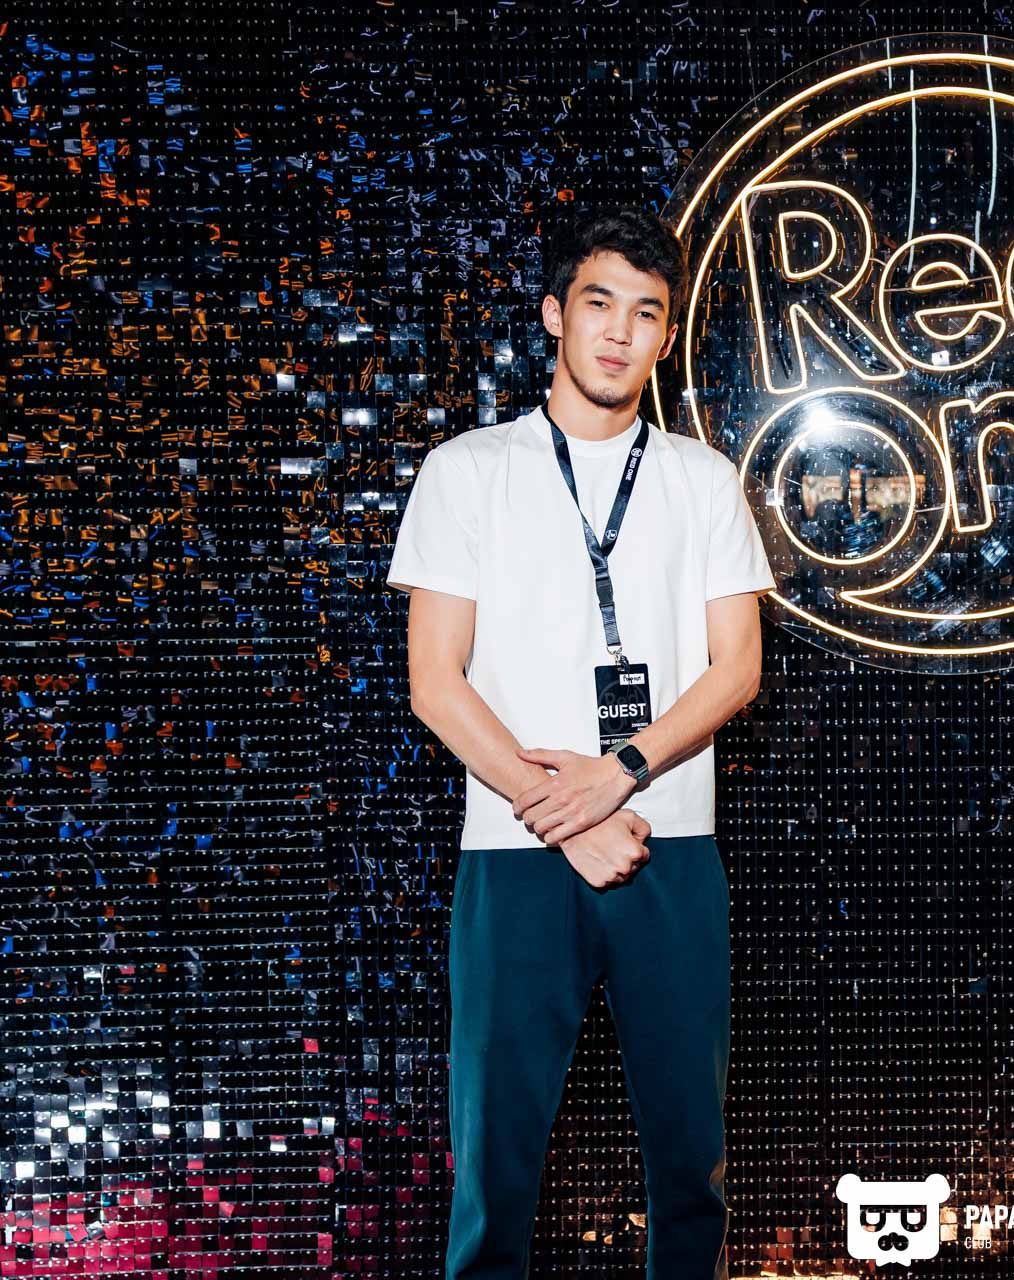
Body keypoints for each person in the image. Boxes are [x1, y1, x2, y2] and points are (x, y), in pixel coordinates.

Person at [386, 206, 774, 1280]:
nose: (619, 332)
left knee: (691, 1166)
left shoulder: (704, 478)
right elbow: (435, 682)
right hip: (515, 852)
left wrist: (618, 776)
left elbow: (737, 668)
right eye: (599, 304)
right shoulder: (467, 470)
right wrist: (562, 815)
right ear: (557, 315)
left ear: (667, 335)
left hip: (669, 845)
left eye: (646, 313)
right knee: (494, 1171)